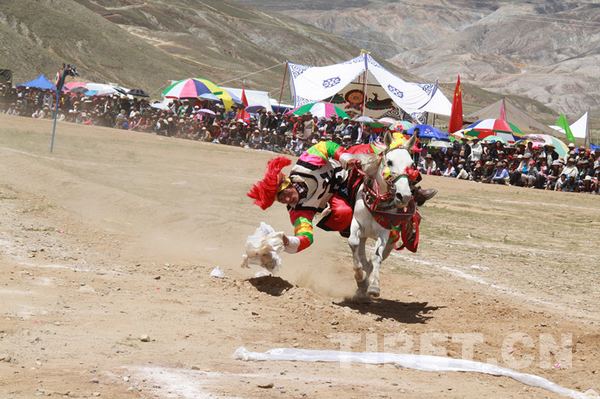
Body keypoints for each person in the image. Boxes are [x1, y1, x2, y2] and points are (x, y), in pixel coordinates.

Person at [248, 140, 436, 253]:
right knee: (343, 213)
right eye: (281, 201)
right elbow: (305, 235)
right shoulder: (299, 211)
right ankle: (349, 228)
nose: (287, 200)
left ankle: (415, 189)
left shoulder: (306, 164)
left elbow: (324, 146)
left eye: (285, 195)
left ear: (287, 183)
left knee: (378, 151)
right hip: (338, 193)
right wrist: (288, 241)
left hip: (346, 166)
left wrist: (344, 157)